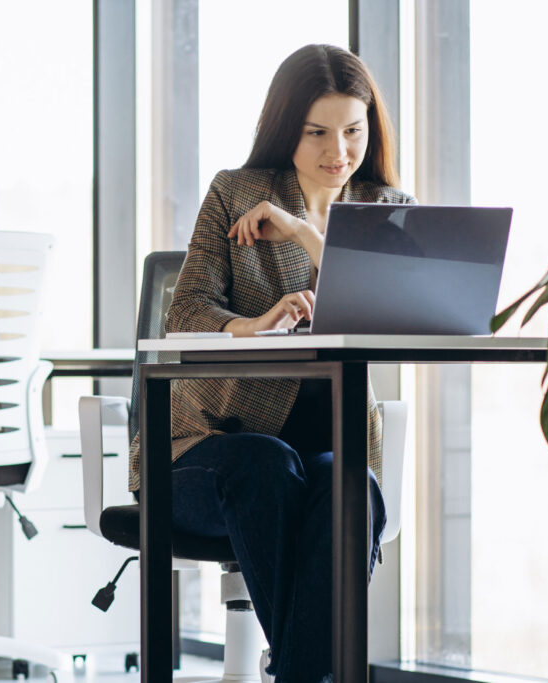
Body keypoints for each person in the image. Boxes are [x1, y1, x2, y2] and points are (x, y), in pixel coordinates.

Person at [127, 44, 416, 683]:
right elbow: (188, 310)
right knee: (266, 462)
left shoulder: (386, 209)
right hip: (209, 449)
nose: (337, 151)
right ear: (287, 127)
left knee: (349, 489)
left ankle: (290, 670)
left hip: (333, 448)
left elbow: (399, 316)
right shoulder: (236, 192)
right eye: (317, 132)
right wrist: (249, 326)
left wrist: (308, 235)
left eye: (352, 131)